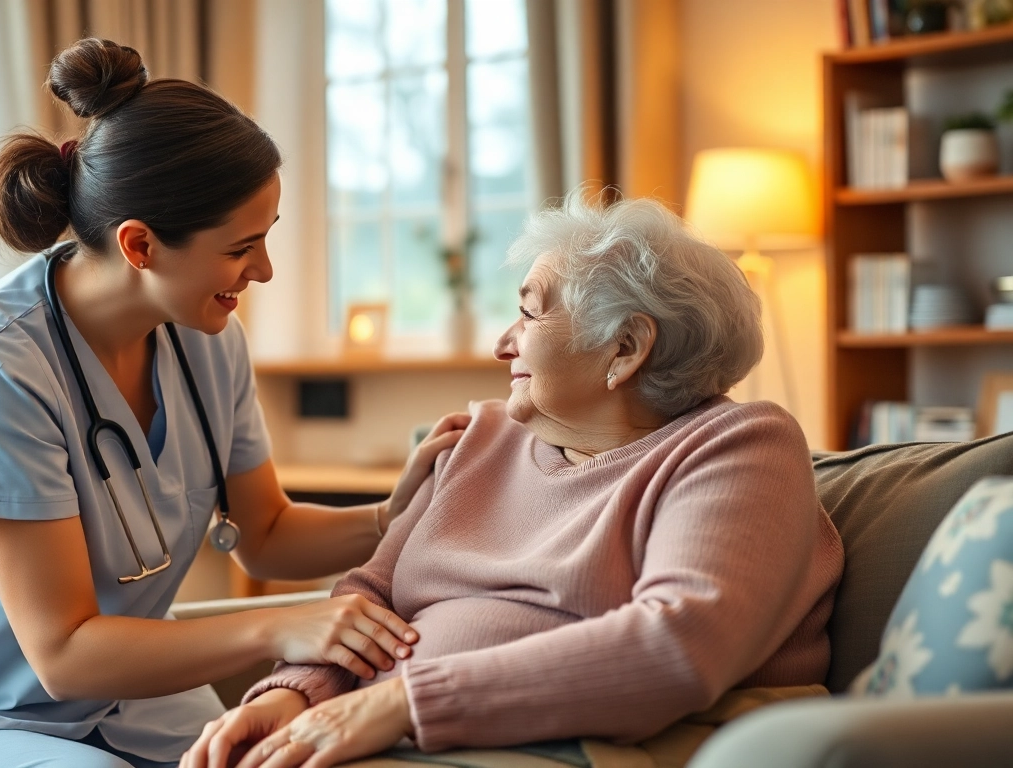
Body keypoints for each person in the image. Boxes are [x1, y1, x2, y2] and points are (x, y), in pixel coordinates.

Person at [0, 38, 468, 768]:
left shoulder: (208, 339)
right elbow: (64, 652)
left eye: (265, 239)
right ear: (139, 245)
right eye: (240, 248)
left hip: (123, 701)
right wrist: (280, 626)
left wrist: (395, 515)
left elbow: (265, 532)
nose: (263, 270)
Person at [183, 191, 846, 768]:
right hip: (384, 734)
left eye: (529, 314)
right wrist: (291, 694)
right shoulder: (483, 439)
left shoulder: (738, 447)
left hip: (564, 747)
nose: (503, 343)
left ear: (624, 348)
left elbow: (678, 644)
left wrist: (403, 702)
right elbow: (370, 595)